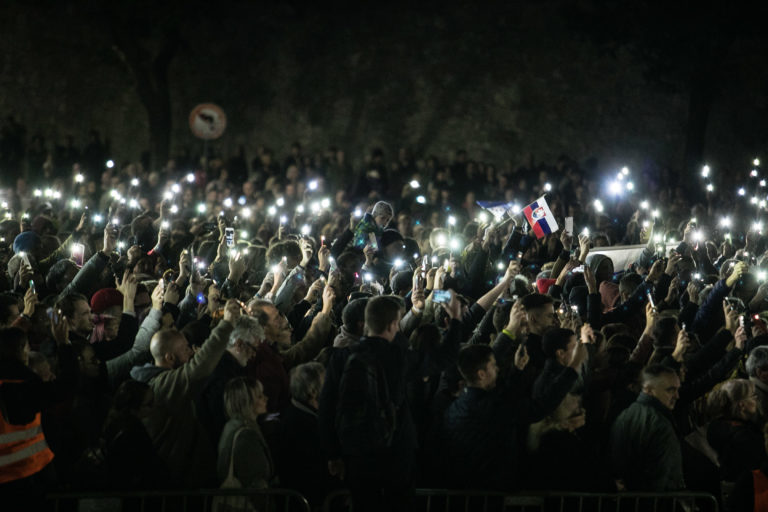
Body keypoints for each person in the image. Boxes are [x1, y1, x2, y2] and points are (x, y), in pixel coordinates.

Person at [129, 299, 240, 487]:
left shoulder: (160, 381)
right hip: (174, 483)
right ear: (169, 357)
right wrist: (226, 325)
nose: (191, 353)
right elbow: (198, 368)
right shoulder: (163, 384)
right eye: (185, 349)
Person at [610, 364, 685, 491]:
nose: (677, 396)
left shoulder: (624, 415)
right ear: (649, 390)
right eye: (670, 390)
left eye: (677, 389)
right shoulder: (659, 424)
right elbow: (664, 474)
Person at [217, 376, 274, 490]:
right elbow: (254, 480)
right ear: (245, 402)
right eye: (259, 396)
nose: (266, 398)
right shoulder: (246, 436)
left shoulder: (232, 425)